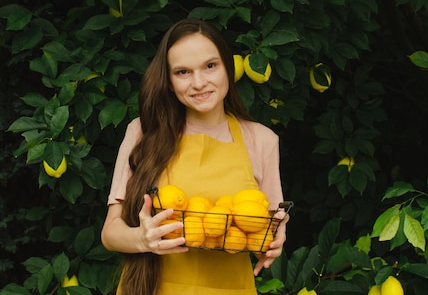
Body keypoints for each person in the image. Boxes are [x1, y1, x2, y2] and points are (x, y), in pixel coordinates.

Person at [100, 18, 289, 295]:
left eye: (210, 66)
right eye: (183, 72)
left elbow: (266, 227)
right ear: (168, 81)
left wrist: (275, 239)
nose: (199, 83)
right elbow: (109, 233)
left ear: (228, 67)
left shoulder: (262, 140)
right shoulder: (144, 131)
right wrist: (142, 238)